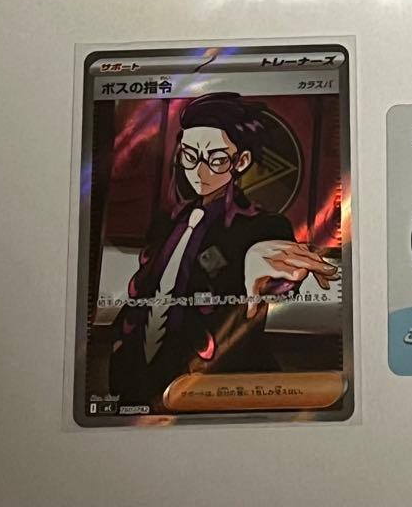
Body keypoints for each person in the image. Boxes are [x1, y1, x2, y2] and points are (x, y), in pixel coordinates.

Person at [109, 92, 337, 405]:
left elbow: (271, 276)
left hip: (215, 385)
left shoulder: (262, 227)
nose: (200, 172)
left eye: (216, 160)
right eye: (190, 156)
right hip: (140, 379)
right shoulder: (167, 222)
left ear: (241, 161)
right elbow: (143, 294)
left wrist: (260, 269)